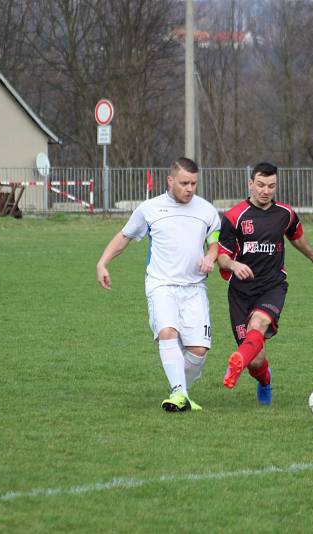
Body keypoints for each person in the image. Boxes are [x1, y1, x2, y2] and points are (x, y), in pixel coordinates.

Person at [96, 157, 221, 412]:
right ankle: (178, 392)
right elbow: (124, 237)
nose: (189, 188)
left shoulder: (207, 210)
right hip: (161, 284)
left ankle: (181, 392)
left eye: (194, 184)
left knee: (199, 350)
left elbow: (214, 242)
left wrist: (211, 257)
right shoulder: (149, 209)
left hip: (195, 287)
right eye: (184, 183)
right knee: (168, 332)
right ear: (170, 180)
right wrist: (102, 263)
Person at [216, 162, 313, 405]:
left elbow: (296, 238)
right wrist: (234, 265)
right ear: (250, 184)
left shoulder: (285, 214)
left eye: (271, 186)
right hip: (240, 292)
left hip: (272, 286)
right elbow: (222, 256)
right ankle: (264, 379)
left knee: (258, 325)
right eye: (260, 185)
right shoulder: (234, 217)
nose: (265, 190)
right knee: (256, 361)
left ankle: (236, 362)